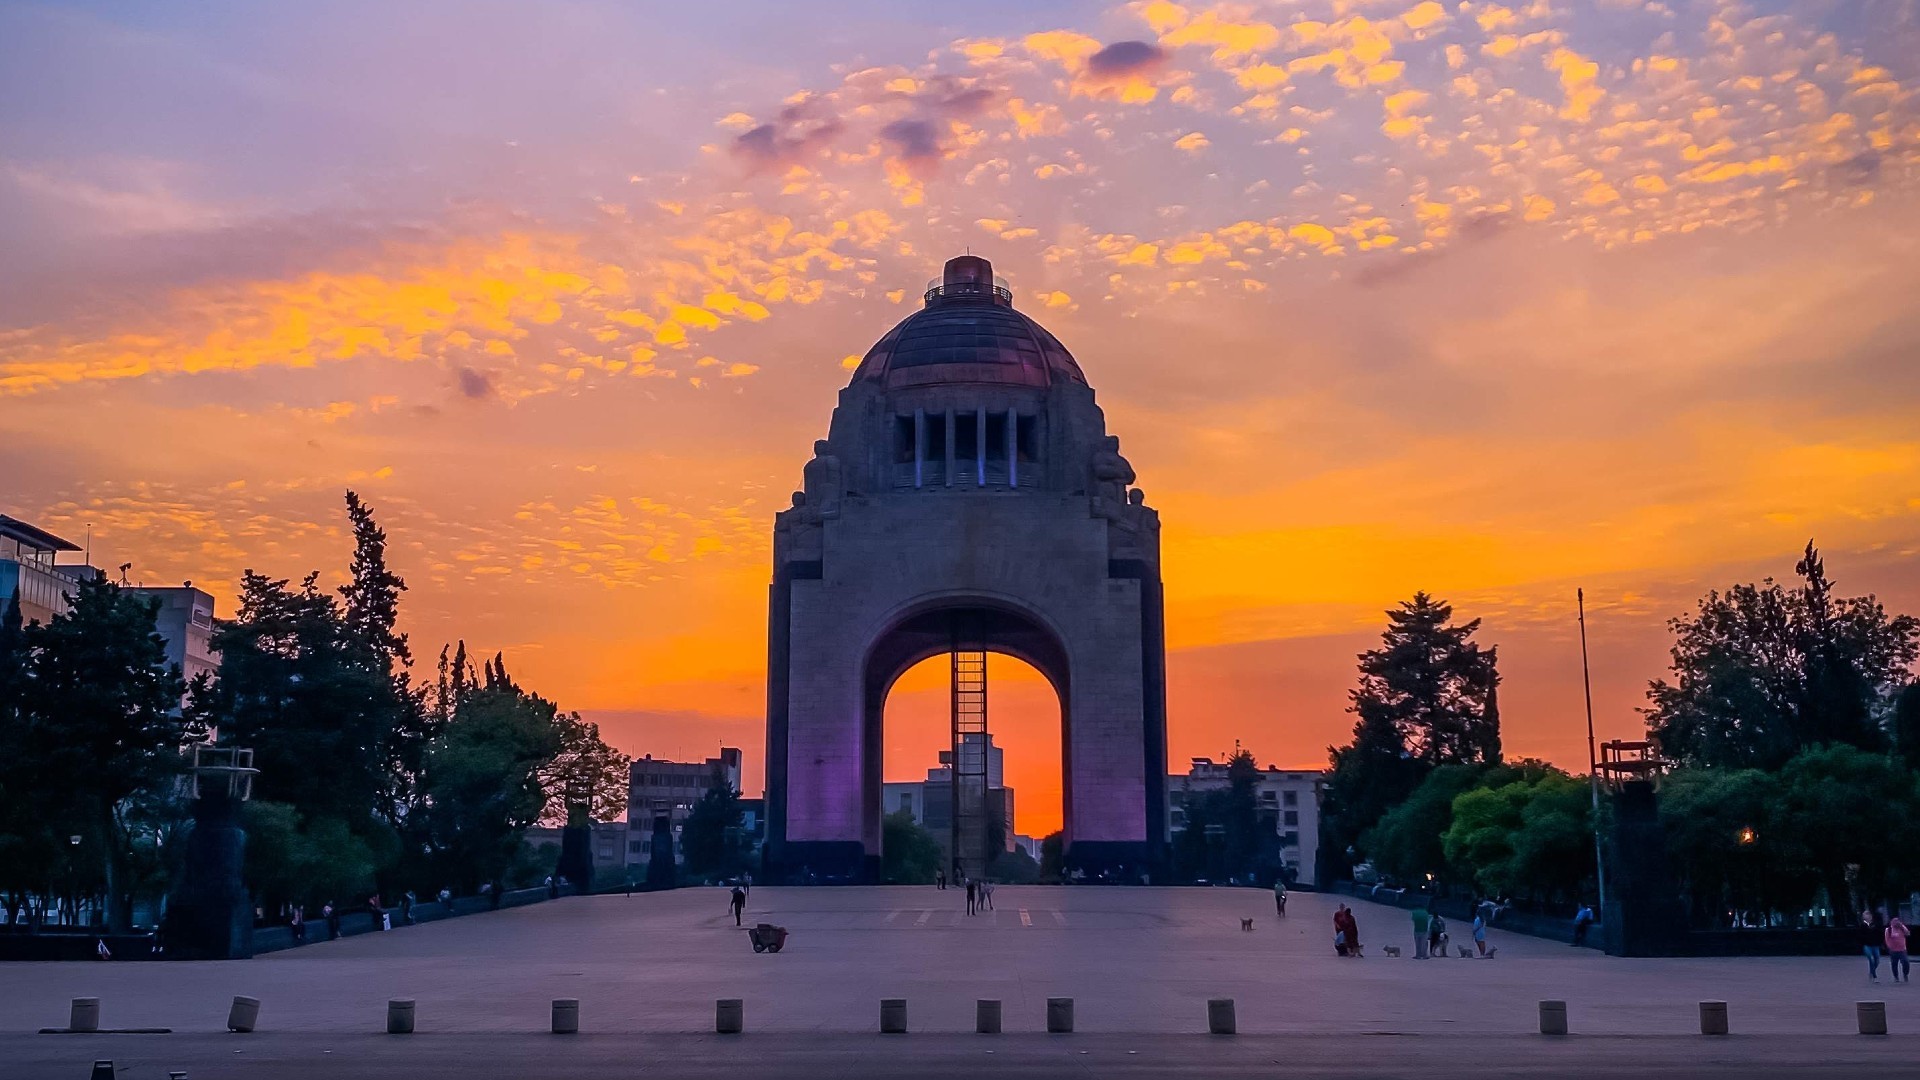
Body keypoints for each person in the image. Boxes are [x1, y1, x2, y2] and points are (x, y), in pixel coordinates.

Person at [1886, 913, 1911, 984]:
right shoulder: (1889, 929)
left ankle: (1905, 974)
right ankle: (1896, 977)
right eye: (1894, 921)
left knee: (1906, 962)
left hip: (1902, 949)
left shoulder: (1902, 927)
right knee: (1894, 964)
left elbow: (1908, 934)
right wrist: (1889, 948)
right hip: (1893, 950)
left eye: (1897, 920)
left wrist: (1902, 927)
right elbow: (1887, 939)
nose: (1896, 922)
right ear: (1891, 922)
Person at [1863, 910, 1885, 981]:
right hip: (1867, 945)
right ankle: (1875, 976)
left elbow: (1880, 933)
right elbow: (1860, 935)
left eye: (1867, 915)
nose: (1866, 917)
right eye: (1864, 915)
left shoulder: (1876, 924)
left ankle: (1872, 972)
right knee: (1871, 959)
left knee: (1877, 960)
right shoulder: (1863, 925)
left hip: (1875, 945)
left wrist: (1881, 943)